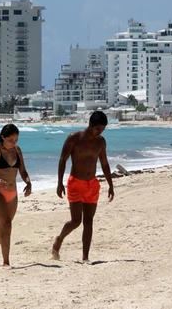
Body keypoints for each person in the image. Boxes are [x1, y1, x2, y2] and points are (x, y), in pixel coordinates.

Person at [51, 111, 115, 262]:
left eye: (103, 129)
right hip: (75, 183)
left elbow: (104, 164)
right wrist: (59, 183)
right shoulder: (74, 138)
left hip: (92, 184)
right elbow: (63, 160)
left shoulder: (100, 142)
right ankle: (59, 239)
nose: (100, 132)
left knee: (88, 221)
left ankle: (85, 257)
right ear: (91, 125)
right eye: (98, 129)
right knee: (76, 221)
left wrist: (111, 185)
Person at [0, 124, 32, 266]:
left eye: (16, 140)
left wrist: (28, 183)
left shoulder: (17, 151)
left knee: (2, 226)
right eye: (11, 140)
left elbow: (23, 171)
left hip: (12, 193)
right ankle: (6, 262)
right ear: (3, 137)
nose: (14, 143)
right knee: (7, 224)